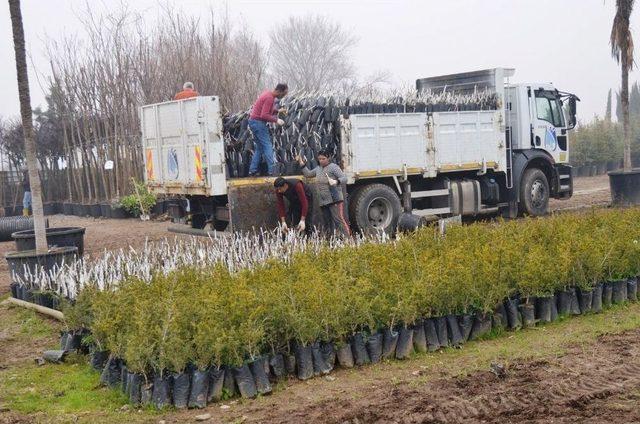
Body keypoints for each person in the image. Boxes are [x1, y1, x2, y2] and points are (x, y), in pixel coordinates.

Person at [297, 149, 351, 237]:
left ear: (328, 158)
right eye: (319, 159)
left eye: (323, 158)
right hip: (323, 201)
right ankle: (329, 240)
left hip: (334, 199)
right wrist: (301, 163)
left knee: (338, 220)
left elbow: (344, 178)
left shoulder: (334, 167)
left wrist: (336, 181)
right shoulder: (318, 169)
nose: (321, 161)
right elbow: (308, 174)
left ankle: (348, 239)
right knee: (327, 222)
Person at [248, 83, 288, 176]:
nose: (283, 96)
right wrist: (277, 120)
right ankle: (272, 170)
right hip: (258, 123)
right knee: (267, 145)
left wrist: (277, 111)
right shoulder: (270, 98)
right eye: (284, 94)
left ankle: (252, 170)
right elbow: (264, 115)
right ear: (279, 91)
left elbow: (266, 110)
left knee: (260, 147)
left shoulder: (267, 94)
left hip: (253, 121)